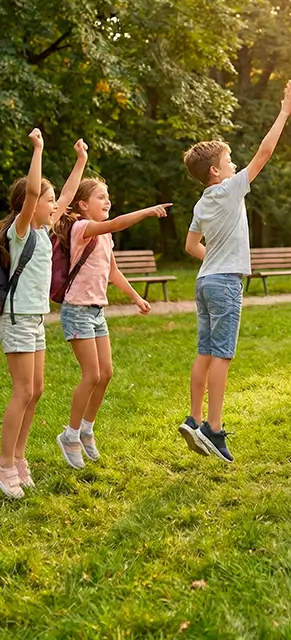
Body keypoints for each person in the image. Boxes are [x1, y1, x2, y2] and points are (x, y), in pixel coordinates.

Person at [179, 80, 291, 464]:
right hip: (226, 283)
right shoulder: (229, 189)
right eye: (230, 162)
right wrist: (283, 113)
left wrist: (215, 256)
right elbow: (264, 154)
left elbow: (191, 246)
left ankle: (193, 419)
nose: (235, 165)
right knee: (223, 356)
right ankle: (213, 428)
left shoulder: (201, 202)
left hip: (204, 281)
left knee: (204, 351)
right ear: (216, 171)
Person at [54, 178, 171, 468]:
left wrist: (135, 297)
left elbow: (112, 271)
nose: (107, 202)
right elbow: (116, 223)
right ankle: (69, 435)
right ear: (83, 205)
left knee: (106, 372)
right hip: (77, 310)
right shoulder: (82, 228)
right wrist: (145, 212)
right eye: (101, 197)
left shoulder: (104, 236)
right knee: (91, 374)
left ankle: (86, 429)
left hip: (96, 311)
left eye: (108, 197)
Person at [0, 130, 88, 498]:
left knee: (36, 391)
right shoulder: (20, 232)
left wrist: (81, 161)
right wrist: (38, 149)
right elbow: (35, 192)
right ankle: (4, 466)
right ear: (28, 205)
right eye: (47, 201)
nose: (54, 206)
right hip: (17, 317)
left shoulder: (44, 228)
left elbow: (67, 195)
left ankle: (19, 458)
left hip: (36, 318)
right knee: (22, 391)